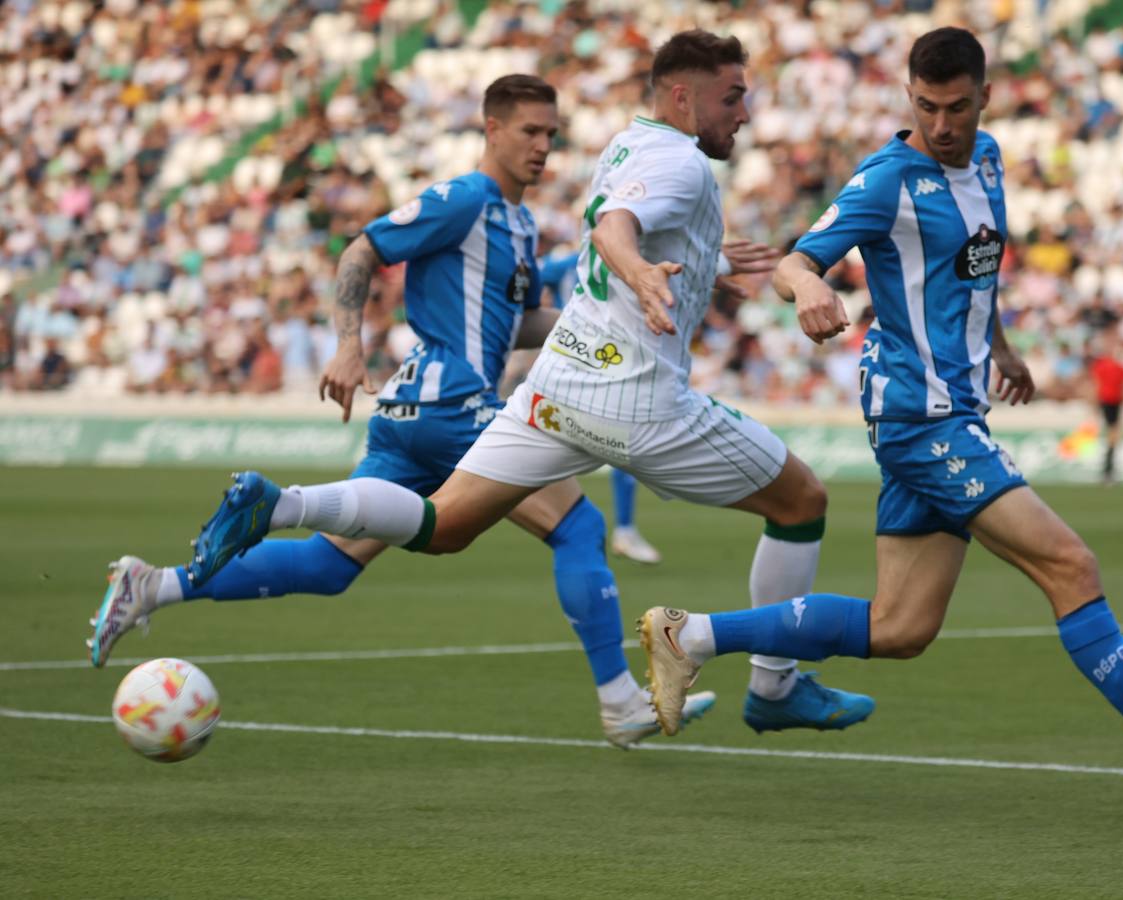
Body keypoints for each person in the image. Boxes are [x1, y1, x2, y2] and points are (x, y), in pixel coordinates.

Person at [177, 31, 875, 735]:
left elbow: (619, 227)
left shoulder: (627, 145)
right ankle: (773, 687)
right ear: (682, 96)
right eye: (733, 97)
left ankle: (282, 506)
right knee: (801, 501)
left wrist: (701, 262)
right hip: (636, 400)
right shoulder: (683, 165)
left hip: (556, 384)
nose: (745, 115)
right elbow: (613, 229)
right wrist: (640, 272)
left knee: (445, 525)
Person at [636, 28, 1123, 811]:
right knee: (1071, 566)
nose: (941, 124)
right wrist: (808, 290)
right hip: (921, 417)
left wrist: (999, 346)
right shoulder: (889, 179)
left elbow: (977, 269)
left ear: (985, 98)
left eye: (956, 107)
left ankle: (688, 636)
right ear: (910, 98)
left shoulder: (991, 159)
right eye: (926, 107)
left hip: (952, 406)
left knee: (901, 626)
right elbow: (801, 258)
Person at [87, 75, 713, 749]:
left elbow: (519, 323)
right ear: (491, 128)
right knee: (578, 528)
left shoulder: (518, 219)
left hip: (414, 415)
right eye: (530, 131)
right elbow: (364, 248)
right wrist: (349, 347)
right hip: (456, 405)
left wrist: (619, 320)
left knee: (329, 569)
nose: (543, 146)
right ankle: (620, 703)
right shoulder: (466, 198)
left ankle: (153, 587)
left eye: (552, 134)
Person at [538, 249, 662, 565]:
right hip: (595, 360)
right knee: (622, 441)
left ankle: (620, 529)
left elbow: (532, 278)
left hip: (577, 358)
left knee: (618, 443)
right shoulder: (609, 259)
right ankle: (622, 529)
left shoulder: (569, 262)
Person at [1087, 333, 1123, 483]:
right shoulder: (1115, 366)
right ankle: (1108, 469)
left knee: (1112, 434)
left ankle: (1108, 468)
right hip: (1110, 401)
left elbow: (1096, 385)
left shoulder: (1107, 366)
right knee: (1113, 434)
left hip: (1109, 401)